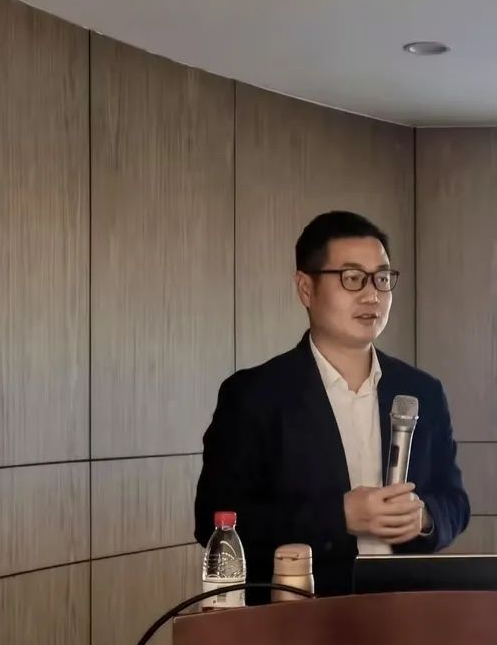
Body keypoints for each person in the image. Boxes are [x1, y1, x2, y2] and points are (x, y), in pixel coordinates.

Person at [194, 210, 470, 595]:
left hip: (405, 609)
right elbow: (215, 521)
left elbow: (455, 502)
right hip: (299, 610)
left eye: (382, 279)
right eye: (352, 278)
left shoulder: (422, 390)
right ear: (306, 288)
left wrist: (425, 518)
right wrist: (339, 517)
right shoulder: (254, 395)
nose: (372, 295)